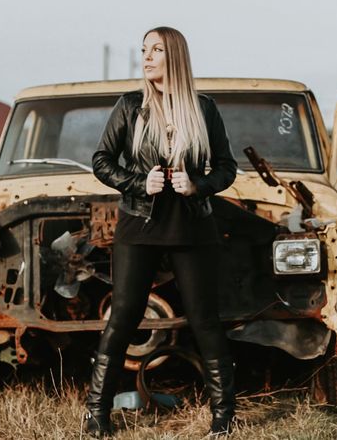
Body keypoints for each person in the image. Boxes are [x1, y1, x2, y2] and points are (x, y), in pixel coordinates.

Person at [86, 26, 238, 437]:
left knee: (205, 320)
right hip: (139, 223)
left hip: (193, 226)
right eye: (143, 50)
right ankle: (96, 414)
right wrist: (138, 183)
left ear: (175, 56)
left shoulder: (203, 108)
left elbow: (226, 167)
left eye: (156, 50)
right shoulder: (131, 106)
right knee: (123, 318)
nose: (146, 57)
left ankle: (223, 417)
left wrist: (198, 185)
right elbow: (101, 160)